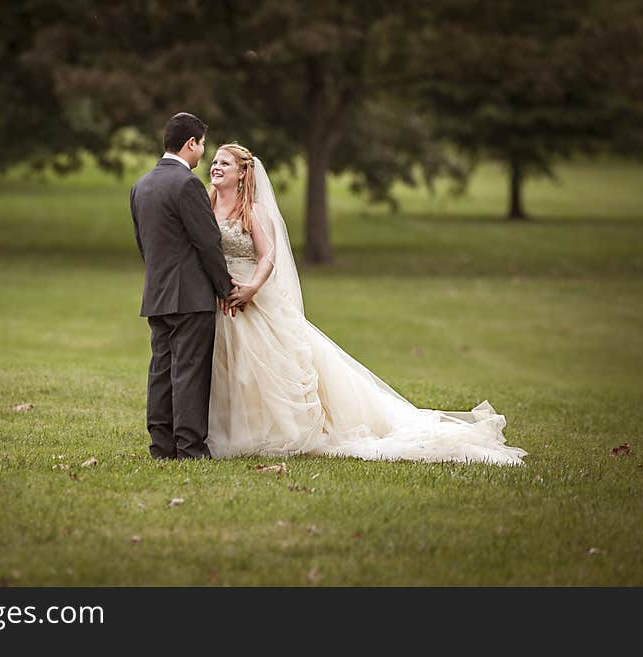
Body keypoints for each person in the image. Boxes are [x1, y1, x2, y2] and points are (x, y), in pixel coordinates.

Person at [206, 142, 527, 465]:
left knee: (263, 365)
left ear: (243, 173)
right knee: (227, 365)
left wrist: (252, 288)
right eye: (215, 161)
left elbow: (268, 256)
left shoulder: (255, 212)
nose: (215, 167)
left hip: (253, 297)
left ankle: (269, 429)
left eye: (224, 163)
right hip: (216, 296)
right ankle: (224, 426)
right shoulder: (206, 202)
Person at [129, 113, 237, 460]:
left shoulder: (141, 186)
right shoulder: (187, 184)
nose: (203, 153)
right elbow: (207, 243)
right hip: (190, 296)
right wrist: (225, 288)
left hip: (157, 293)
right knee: (190, 371)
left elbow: (144, 244)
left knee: (161, 370)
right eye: (203, 145)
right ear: (191, 143)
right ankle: (190, 448)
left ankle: (161, 446)